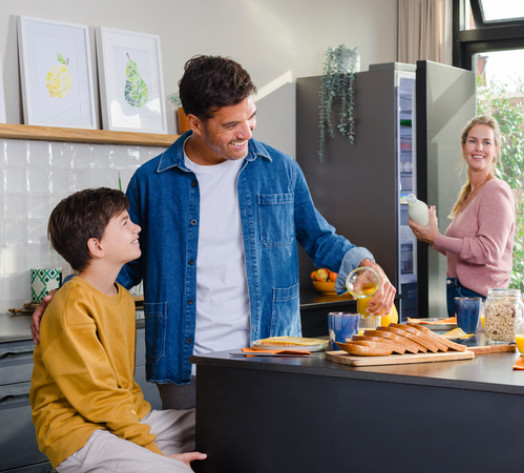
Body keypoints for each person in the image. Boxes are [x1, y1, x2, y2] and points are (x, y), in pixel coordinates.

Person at [32, 55, 396, 409]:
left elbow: (319, 237)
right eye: (231, 125)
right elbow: (121, 266)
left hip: (273, 353)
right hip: (183, 362)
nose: (247, 133)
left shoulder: (280, 169)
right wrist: (67, 294)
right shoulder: (151, 181)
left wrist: (366, 263)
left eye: (251, 118)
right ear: (195, 123)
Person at [30, 188, 205, 472]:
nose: (137, 227)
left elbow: (115, 394)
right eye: (125, 223)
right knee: (177, 470)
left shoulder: (121, 297)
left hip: (125, 417)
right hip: (77, 433)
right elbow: (98, 397)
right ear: (97, 247)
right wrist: (153, 453)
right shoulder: (71, 305)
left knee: (222, 425)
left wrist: (141, 439)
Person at [408, 115, 515, 316]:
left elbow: (489, 251)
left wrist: (437, 238)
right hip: (459, 291)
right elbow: (462, 251)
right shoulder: (469, 194)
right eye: (473, 141)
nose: (479, 148)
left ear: (495, 150)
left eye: (486, 142)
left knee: (473, 348)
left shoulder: (495, 191)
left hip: (481, 299)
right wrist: (431, 239)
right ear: (464, 146)